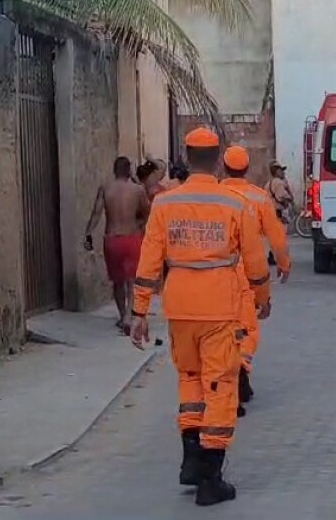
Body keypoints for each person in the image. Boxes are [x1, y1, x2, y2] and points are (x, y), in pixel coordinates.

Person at [129, 127, 271, 507]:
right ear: (218, 157)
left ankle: (190, 459)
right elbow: (255, 259)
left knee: (190, 380)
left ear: (186, 155)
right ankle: (211, 477)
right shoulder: (233, 204)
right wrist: (261, 296)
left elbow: (149, 260)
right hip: (219, 308)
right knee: (221, 386)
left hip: (179, 309)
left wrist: (139, 311)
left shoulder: (164, 204)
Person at [221, 145, 291, 413]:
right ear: (246, 169)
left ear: (224, 168)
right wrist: (284, 264)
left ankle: (230, 379)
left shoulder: (215, 195)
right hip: (246, 274)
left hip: (215, 274)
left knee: (222, 330)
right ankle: (241, 368)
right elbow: (276, 237)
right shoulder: (258, 198)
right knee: (247, 328)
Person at [84, 156, 150, 330]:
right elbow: (147, 213)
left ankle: (122, 316)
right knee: (131, 281)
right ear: (129, 171)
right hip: (131, 238)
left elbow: (96, 213)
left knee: (117, 281)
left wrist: (88, 234)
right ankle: (129, 316)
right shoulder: (137, 190)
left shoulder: (106, 189)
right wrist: (139, 225)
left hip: (112, 240)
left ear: (114, 171)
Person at [266, 160, 295, 266]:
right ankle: (276, 257)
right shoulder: (278, 183)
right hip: (278, 212)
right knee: (280, 235)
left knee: (276, 235)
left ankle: (273, 256)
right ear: (276, 172)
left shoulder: (270, 183)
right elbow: (281, 196)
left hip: (272, 212)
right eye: (281, 171)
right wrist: (289, 200)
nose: (283, 173)